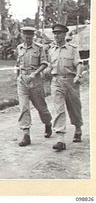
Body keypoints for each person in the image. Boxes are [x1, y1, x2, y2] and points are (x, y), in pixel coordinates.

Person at [47, 23, 83, 152]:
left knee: (74, 108)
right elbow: (50, 65)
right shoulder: (51, 50)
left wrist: (78, 76)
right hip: (56, 81)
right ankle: (60, 139)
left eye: (59, 33)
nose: (57, 35)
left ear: (64, 34)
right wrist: (45, 71)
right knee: (59, 109)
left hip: (71, 81)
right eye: (55, 33)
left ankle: (78, 128)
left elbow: (78, 64)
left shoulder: (72, 49)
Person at [16, 26, 53, 147]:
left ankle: (48, 123)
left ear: (33, 36)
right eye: (25, 36)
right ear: (22, 36)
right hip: (22, 81)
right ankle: (26, 134)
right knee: (24, 108)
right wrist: (18, 76)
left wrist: (35, 74)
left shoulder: (39, 48)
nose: (27, 38)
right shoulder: (19, 48)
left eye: (30, 36)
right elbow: (18, 64)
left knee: (41, 108)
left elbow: (44, 63)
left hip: (35, 81)